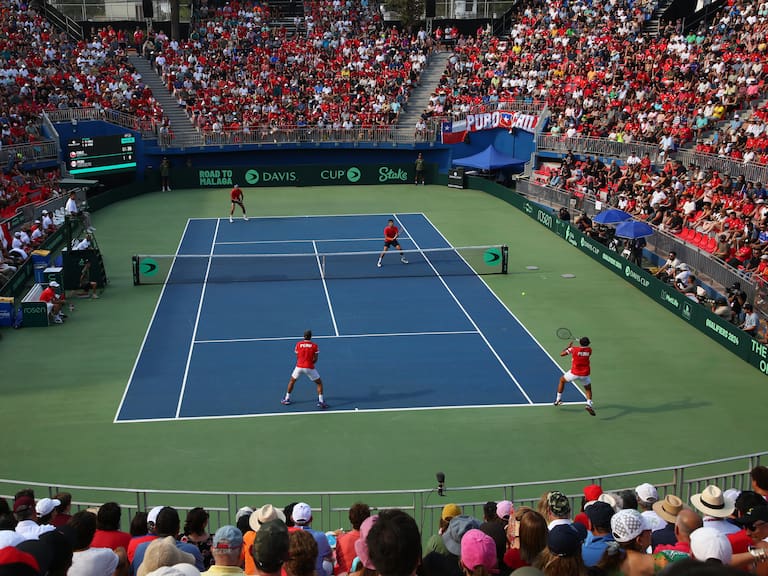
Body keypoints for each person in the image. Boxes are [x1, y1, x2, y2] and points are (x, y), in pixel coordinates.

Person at [281, 330, 329, 409]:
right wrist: (309, 364)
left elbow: (297, 356)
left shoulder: (298, 344)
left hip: (299, 367)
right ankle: (321, 402)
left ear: (304, 336)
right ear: (311, 337)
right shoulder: (314, 346)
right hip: (309, 367)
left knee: (292, 381)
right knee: (319, 383)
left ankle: (286, 399)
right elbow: (315, 359)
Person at [553, 336, 595, 416]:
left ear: (580, 343)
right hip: (585, 374)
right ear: (588, 344)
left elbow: (562, 354)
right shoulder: (589, 350)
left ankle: (558, 399)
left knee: (562, 380)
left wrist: (568, 348)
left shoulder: (573, 349)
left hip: (574, 373)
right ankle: (589, 404)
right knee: (588, 389)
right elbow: (584, 348)